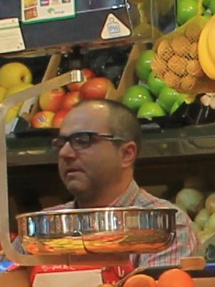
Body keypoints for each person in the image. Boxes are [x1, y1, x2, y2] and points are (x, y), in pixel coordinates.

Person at [51, 101, 186, 268]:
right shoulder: (45, 226)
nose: (64, 153)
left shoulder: (165, 225)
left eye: (82, 140)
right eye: (60, 143)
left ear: (126, 154)